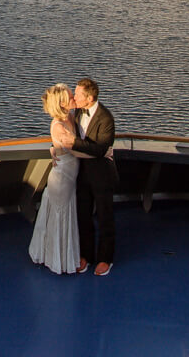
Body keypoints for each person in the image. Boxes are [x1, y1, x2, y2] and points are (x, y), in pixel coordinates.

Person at [27, 84, 80, 274]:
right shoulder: (58, 126)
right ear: (62, 103)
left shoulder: (71, 118)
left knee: (66, 213)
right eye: (70, 96)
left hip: (70, 175)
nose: (74, 97)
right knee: (60, 215)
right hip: (61, 178)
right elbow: (78, 150)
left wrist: (53, 148)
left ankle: (64, 256)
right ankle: (57, 259)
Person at [72, 77, 117, 275]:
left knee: (104, 216)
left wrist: (71, 142)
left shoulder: (106, 118)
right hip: (81, 174)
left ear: (89, 98)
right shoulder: (76, 113)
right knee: (83, 215)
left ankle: (105, 259)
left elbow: (100, 150)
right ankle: (86, 256)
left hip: (101, 175)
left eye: (78, 94)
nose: (74, 97)